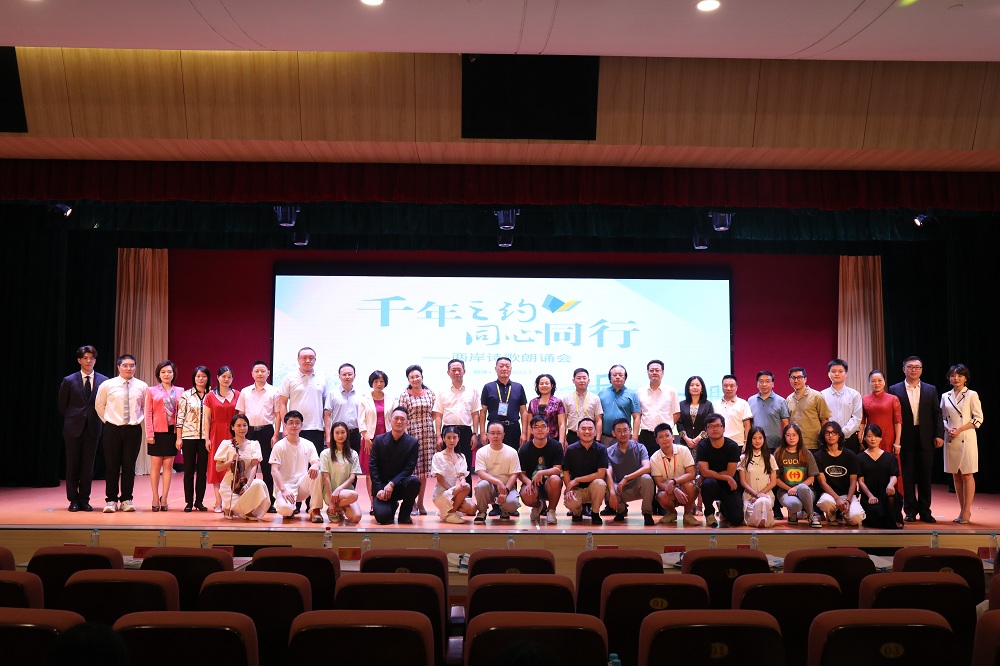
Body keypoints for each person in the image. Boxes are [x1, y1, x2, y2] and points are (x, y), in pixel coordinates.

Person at [887, 356, 943, 523]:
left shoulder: (930, 389)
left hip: (926, 437)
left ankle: (925, 511)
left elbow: (937, 414)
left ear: (921, 370)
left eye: (917, 367)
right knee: (907, 476)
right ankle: (910, 510)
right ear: (903, 369)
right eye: (910, 367)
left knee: (925, 475)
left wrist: (939, 434)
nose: (913, 369)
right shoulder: (894, 389)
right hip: (905, 438)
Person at [94, 354, 148, 514]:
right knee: (112, 466)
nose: (128, 368)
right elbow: (99, 406)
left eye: (132, 365)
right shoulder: (107, 385)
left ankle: (126, 499)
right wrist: (109, 421)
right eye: (125, 365)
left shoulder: (142, 386)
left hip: (133, 429)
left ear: (135, 367)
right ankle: (111, 500)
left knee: (129, 466)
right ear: (118, 367)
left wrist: (138, 420)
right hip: (112, 429)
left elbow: (145, 407)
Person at [58, 345, 107, 512]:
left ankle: (85, 499)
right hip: (73, 428)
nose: (89, 361)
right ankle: (73, 499)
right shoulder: (69, 380)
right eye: (85, 358)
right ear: (79, 360)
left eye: (91, 358)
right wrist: (75, 417)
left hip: (93, 428)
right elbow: (62, 405)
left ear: (95, 360)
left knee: (88, 466)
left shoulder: (104, 381)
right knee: (72, 464)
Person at [940, 363, 983, 524]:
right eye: (953, 375)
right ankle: (962, 509)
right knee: (956, 475)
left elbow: (978, 419)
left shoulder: (972, 395)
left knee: (967, 474)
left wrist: (960, 429)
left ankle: (966, 510)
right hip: (951, 437)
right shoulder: (945, 396)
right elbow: (942, 417)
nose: (956, 378)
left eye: (959, 375)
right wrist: (947, 428)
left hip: (966, 437)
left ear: (966, 378)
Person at [236, 360, 279, 513]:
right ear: (252, 374)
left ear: (268, 373)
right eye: (257, 371)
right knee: (248, 467)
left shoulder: (274, 391)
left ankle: (269, 502)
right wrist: (240, 433)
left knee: (267, 467)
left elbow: (278, 415)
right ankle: (250, 501)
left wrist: (276, 434)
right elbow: (240, 414)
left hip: (267, 431)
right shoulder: (245, 391)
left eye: (263, 371)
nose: (260, 373)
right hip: (249, 431)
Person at [749, 369, 790, 520]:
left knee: (775, 477)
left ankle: (776, 508)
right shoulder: (750, 400)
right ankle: (756, 505)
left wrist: (786, 444)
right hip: (756, 445)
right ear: (757, 384)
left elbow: (786, 424)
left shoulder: (781, 401)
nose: (764, 384)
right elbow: (748, 424)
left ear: (773, 383)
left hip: (775, 445)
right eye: (761, 381)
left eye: (767, 381)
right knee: (757, 475)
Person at [433, 359, 481, 485]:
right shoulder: (442, 391)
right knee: (447, 465)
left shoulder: (472, 390)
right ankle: (447, 493)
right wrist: (438, 436)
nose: (457, 372)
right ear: (448, 372)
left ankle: (467, 494)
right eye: (453, 370)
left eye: (459, 370)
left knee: (466, 465)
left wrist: (475, 434)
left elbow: (475, 414)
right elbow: (438, 414)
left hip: (466, 431)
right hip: (448, 431)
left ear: (464, 371)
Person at [214, 413, 270, 520]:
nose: (242, 428)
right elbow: (218, 467)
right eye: (238, 425)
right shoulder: (226, 444)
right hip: (230, 485)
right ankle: (233, 508)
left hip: (246, 483)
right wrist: (231, 461)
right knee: (238, 508)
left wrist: (247, 485)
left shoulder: (254, 444)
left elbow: (254, 466)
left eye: (245, 425)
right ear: (232, 427)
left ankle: (244, 509)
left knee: (259, 483)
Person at [370, 406, 421, 525]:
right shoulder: (378, 440)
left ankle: (404, 514)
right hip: (382, 487)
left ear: (407, 422)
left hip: (399, 485)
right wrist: (378, 489)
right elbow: (373, 466)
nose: (399, 422)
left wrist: (392, 483)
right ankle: (392, 505)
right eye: (396, 418)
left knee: (414, 481)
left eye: (402, 419)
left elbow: (409, 469)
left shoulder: (412, 443)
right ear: (390, 420)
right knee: (382, 518)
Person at [397, 364, 436, 516]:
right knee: (412, 470)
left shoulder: (430, 394)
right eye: (412, 377)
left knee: (424, 472)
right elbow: (402, 417)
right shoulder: (404, 396)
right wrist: (406, 437)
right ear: (408, 379)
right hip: (411, 435)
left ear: (422, 377)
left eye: (417, 376)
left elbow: (435, 414)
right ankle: (411, 503)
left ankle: (420, 502)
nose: (415, 379)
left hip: (427, 435)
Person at [144, 359, 183, 512]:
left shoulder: (180, 391)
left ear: (174, 374)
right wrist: (149, 434)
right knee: (155, 466)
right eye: (163, 372)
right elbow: (148, 413)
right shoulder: (151, 390)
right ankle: (155, 497)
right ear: (159, 374)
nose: (166, 374)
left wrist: (179, 436)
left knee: (168, 466)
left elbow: (181, 414)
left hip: (172, 432)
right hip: (157, 432)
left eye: (169, 372)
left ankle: (165, 497)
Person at [270, 410, 322, 520]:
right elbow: (274, 470)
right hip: (286, 486)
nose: (294, 425)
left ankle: (315, 510)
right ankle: (290, 509)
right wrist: (283, 490)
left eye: (297, 423)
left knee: (318, 473)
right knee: (285, 510)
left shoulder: (308, 444)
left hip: (302, 484)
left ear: (301, 425)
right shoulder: (279, 446)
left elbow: (316, 461)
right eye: (291, 422)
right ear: (285, 426)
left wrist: (315, 465)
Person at [277, 347, 328, 457]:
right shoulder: (289, 378)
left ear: (315, 360)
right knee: (295, 462)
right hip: (295, 428)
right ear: (298, 360)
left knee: (315, 462)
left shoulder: (322, 377)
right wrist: (285, 427)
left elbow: (326, 407)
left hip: (316, 428)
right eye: (304, 358)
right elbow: (282, 404)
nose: (308, 360)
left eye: (311, 358)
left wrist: (326, 429)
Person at [604, 418, 656, 526]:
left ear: (630, 430)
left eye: (625, 430)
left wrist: (627, 478)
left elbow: (647, 468)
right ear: (613, 433)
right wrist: (612, 492)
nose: (622, 434)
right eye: (619, 431)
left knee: (647, 478)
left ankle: (647, 513)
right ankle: (620, 510)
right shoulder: (609, 451)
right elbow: (608, 473)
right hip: (620, 488)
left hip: (638, 486)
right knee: (607, 485)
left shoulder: (640, 447)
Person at [861, 369, 903, 498]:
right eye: (873, 381)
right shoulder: (864, 399)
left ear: (884, 382)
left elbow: (898, 422)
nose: (877, 383)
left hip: (889, 439)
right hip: (870, 439)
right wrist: (860, 438)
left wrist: (897, 442)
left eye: (879, 380)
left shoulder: (893, 399)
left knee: (890, 468)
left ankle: (893, 500)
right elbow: (862, 422)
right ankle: (872, 497)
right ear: (869, 382)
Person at [697, 413, 744, 528]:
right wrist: (725, 476)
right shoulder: (702, 446)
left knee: (737, 520)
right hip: (712, 484)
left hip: (729, 485)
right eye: (711, 426)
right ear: (706, 429)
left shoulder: (732, 446)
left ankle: (723, 507)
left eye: (718, 426)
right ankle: (709, 513)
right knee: (708, 483)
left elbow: (730, 473)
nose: (715, 429)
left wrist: (711, 474)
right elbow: (704, 472)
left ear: (723, 428)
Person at [175, 365, 212, 512]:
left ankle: (199, 501)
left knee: (202, 472)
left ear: (208, 378)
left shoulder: (212, 395)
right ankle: (189, 502)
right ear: (194, 378)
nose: (201, 379)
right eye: (198, 376)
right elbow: (180, 417)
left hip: (205, 438)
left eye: (204, 376)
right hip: (188, 437)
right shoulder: (186, 395)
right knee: (189, 471)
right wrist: (179, 438)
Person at [814, 421, 865, 526]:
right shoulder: (818, 456)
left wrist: (848, 501)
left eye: (834, 433)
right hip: (829, 495)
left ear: (839, 435)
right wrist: (837, 498)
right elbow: (822, 483)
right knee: (825, 502)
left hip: (847, 495)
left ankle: (844, 513)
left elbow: (853, 481)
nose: (830, 435)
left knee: (856, 518)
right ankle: (831, 515)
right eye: (827, 433)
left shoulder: (850, 455)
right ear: (823, 436)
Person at [204, 365, 240, 513]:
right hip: (216, 433)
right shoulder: (210, 396)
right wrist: (207, 438)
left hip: (233, 433)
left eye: (229, 377)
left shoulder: (238, 394)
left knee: (232, 466)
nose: (226, 379)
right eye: (223, 376)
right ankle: (218, 501)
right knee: (216, 467)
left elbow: (240, 417)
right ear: (218, 377)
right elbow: (207, 419)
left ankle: (230, 501)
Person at [650, 422, 698, 526]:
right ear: (657, 441)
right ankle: (672, 513)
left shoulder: (684, 450)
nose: (665, 439)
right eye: (661, 437)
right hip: (668, 490)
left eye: (667, 435)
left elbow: (691, 474)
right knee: (662, 496)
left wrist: (673, 482)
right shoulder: (654, 458)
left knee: (689, 486)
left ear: (672, 437)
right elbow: (659, 483)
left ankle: (687, 514)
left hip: (684, 488)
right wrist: (674, 489)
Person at [517, 417, 564, 525]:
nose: (540, 430)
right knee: (527, 496)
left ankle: (551, 511)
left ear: (548, 429)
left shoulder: (556, 446)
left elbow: (557, 470)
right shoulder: (524, 449)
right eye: (536, 427)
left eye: (543, 426)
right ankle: (538, 506)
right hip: (532, 484)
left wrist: (541, 473)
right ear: (531, 430)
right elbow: (521, 474)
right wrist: (528, 482)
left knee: (555, 479)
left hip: (550, 485)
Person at [561, 418, 608, 525]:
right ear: (577, 432)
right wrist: (569, 488)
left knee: (600, 483)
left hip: (593, 488)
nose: (587, 431)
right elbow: (566, 471)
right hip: (577, 489)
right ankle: (577, 512)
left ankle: (595, 513)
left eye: (590, 429)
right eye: (583, 429)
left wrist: (577, 479)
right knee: (570, 500)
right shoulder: (571, 449)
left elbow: (601, 474)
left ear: (595, 432)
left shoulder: (601, 449)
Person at [473, 421, 523, 523]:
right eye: (492, 433)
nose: (495, 436)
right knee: (480, 486)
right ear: (487, 435)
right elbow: (481, 473)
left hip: (506, 486)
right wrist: (497, 482)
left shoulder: (512, 452)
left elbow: (514, 475)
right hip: (489, 487)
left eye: (499, 433)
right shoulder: (481, 452)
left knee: (512, 504)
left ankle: (504, 510)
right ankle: (482, 512)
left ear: (503, 435)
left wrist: (506, 491)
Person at [677, 375, 712, 515]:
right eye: (692, 385)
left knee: (701, 475)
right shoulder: (681, 404)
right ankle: (689, 503)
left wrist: (698, 438)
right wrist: (686, 438)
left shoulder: (708, 405)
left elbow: (709, 423)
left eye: (697, 385)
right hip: (685, 445)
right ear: (688, 388)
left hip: (702, 445)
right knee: (688, 475)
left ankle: (699, 505)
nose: (694, 387)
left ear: (702, 388)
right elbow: (679, 423)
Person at [774, 423, 821, 528]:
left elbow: (811, 478)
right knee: (795, 505)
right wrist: (790, 489)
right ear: (784, 437)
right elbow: (775, 479)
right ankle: (793, 513)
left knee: (802, 487)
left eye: (794, 435)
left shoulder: (807, 453)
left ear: (799, 436)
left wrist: (797, 488)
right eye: (788, 435)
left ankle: (811, 516)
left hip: (806, 491)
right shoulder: (778, 453)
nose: (791, 438)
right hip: (785, 492)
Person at [858, 424, 903, 529]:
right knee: (876, 513)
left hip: (886, 492)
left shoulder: (890, 457)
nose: (873, 439)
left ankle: (894, 520)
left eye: (876, 436)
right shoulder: (859, 458)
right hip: (869, 496)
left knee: (891, 497)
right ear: (864, 438)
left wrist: (891, 484)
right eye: (869, 436)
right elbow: (860, 481)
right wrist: (870, 496)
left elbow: (894, 475)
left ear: (881, 438)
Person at [359, 370, 390, 514]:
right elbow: (361, 421)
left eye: (382, 381)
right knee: (370, 473)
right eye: (376, 381)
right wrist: (366, 438)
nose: (379, 384)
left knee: (385, 471)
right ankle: (373, 503)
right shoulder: (364, 400)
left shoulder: (391, 399)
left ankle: (384, 500)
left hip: (386, 439)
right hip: (369, 440)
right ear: (371, 383)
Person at [430, 425, 477, 524]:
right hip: (442, 494)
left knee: (473, 509)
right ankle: (451, 513)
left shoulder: (461, 457)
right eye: (448, 437)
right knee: (467, 487)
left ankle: (447, 510)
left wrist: (462, 482)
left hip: (454, 492)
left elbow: (462, 475)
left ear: (458, 439)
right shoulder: (438, 456)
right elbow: (440, 479)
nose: (451, 440)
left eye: (454, 437)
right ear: (443, 439)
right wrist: (454, 490)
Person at [319, 421, 363, 525]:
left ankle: (338, 509)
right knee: (354, 495)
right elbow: (326, 478)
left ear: (347, 433)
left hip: (346, 492)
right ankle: (333, 506)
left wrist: (339, 489)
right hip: (330, 493)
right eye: (337, 432)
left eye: (343, 432)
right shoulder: (325, 454)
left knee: (356, 517)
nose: (340, 435)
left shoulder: (353, 454)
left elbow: (352, 478)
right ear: (332, 435)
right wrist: (331, 501)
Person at [480, 357, 528, 449]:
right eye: (501, 366)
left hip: (513, 428)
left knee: (513, 454)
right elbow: (483, 412)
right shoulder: (488, 387)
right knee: (494, 455)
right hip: (494, 429)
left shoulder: (518, 387)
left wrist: (524, 433)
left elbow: (523, 411)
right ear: (496, 368)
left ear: (511, 369)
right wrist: (482, 433)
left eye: (507, 366)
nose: (504, 368)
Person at [637, 359, 681, 457]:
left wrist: (667, 427)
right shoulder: (640, 391)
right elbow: (639, 414)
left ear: (663, 373)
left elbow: (676, 413)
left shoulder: (671, 391)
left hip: (664, 435)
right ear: (647, 373)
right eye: (651, 370)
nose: (654, 372)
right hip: (646, 434)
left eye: (657, 370)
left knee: (667, 461)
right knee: (647, 462)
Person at [821, 359, 863, 453]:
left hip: (849, 438)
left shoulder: (854, 394)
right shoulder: (822, 395)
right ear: (828, 374)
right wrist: (831, 434)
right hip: (828, 439)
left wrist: (841, 433)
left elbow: (857, 418)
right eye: (833, 371)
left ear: (846, 374)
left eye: (840, 371)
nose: (837, 374)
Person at [739, 426, 777, 528]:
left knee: (763, 501)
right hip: (749, 497)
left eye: (760, 438)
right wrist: (755, 494)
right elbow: (743, 482)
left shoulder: (770, 458)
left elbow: (773, 482)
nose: (757, 441)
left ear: (764, 439)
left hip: (766, 495)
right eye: (754, 438)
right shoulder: (744, 458)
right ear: (750, 439)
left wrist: (760, 494)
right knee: (758, 519)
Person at [324, 363, 363, 459]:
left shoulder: (361, 394)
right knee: (338, 462)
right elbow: (327, 415)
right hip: (338, 434)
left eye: (350, 374)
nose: (347, 377)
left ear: (354, 376)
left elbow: (363, 416)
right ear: (339, 376)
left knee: (354, 461)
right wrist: (328, 436)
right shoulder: (332, 393)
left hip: (355, 433)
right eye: (344, 374)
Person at [786, 366, 831, 451]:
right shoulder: (789, 399)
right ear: (790, 380)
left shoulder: (817, 396)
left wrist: (823, 440)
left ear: (805, 379)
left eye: (799, 377)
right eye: (793, 377)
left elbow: (825, 420)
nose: (796, 380)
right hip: (794, 444)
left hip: (813, 444)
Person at [598, 365, 641, 445]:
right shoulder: (601, 394)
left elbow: (637, 417)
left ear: (625, 378)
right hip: (605, 437)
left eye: (620, 375)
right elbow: (598, 417)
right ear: (610, 378)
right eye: (614, 375)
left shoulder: (632, 394)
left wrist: (635, 437)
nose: (617, 377)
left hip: (625, 437)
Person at [563, 368, 603, 445]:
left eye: (584, 378)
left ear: (588, 380)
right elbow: (563, 421)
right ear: (573, 381)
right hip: (572, 436)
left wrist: (598, 439)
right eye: (578, 378)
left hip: (590, 435)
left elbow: (598, 420)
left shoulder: (595, 398)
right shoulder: (566, 398)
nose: (582, 380)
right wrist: (564, 439)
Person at [526, 373, 566, 450]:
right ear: (537, 386)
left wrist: (561, 442)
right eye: (541, 384)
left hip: (553, 440)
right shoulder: (532, 402)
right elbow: (529, 424)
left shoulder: (558, 402)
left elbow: (562, 424)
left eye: (547, 383)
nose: (544, 385)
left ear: (552, 386)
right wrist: (528, 441)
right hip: (535, 440)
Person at [717, 374, 752, 445]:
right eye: (725, 385)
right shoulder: (715, 404)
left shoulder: (743, 403)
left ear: (736, 387)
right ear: (722, 387)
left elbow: (747, 425)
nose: (728, 388)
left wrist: (747, 443)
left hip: (738, 443)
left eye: (732, 386)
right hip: (719, 443)